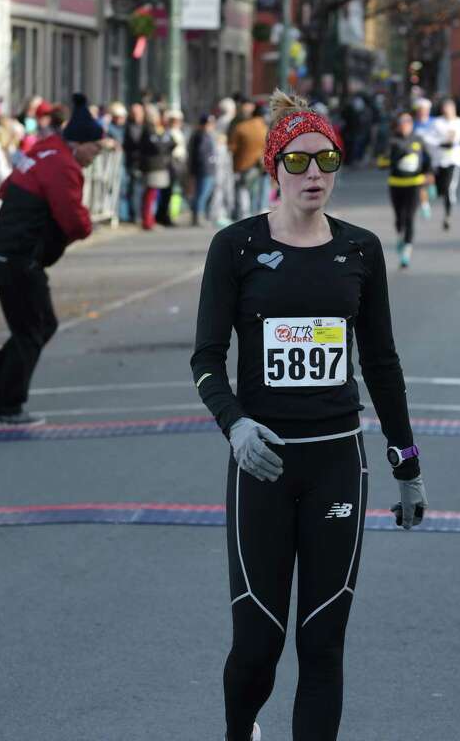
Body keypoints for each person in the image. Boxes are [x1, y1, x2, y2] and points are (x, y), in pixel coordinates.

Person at [191, 89, 428, 741]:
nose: (314, 173)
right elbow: (207, 359)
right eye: (297, 162)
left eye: (326, 159)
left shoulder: (359, 249)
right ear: (273, 169)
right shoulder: (234, 248)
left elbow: (381, 364)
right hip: (260, 465)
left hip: (336, 463)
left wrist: (406, 466)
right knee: (257, 648)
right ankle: (241, 730)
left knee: (321, 644)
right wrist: (234, 425)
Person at [0, 93, 103, 426]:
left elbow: (5, 191)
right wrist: (83, 228)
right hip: (19, 256)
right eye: (96, 148)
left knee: (33, 326)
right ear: (81, 143)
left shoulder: (43, 150)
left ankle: (3, 391)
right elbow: (73, 219)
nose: (97, 156)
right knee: (34, 328)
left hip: (9, 250)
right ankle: (8, 405)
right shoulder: (62, 165)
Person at [388, 112, 433, 268]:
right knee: (399, 218)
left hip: (414, 183)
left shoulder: (418, 140)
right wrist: (400, 155)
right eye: (402, 122)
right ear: (398, 125)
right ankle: (400, 235)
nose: (405, 124)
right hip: (396, 183)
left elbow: (428, 158)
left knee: (409, 217)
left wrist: (429, 173)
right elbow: (384, 160)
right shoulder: (393, 141)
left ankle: (407, 250)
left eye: (408, 121)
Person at [426, 97, 460, 231]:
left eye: (450, 108)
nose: (447, 111)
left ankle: (447, 215)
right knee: (441, 189)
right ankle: (438, 192)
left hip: (454, 159)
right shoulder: (437, 123)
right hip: (439, 159)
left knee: (449, 188)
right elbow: (428, 139)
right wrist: (440, 142)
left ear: (454, 109)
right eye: (445, 108)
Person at [228, 100, 267, 220]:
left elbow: (232, 147)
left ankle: (244, 213)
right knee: (259, 188)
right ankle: (261, 210)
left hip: (243, 164)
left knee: (243, 188)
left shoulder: (241, 127)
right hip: (261, 164)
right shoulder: (265, 128)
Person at [139, 105, 176, 231]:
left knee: (154, 195)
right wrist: (165, 143)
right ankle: (147, 221)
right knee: (150, 195)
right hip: (152, 166)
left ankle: (151, 219)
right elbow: (158, 147)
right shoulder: (149, 129)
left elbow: (171, 142)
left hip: (159, 165)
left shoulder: (157, 129)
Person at [188, 113, 218, 225]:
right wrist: (210, 159)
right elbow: (199, 154)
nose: (210, 126)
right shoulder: (200, 136)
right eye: (207, 124)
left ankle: (200, 215)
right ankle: (198, 216)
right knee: (202, 194)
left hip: (207, 169)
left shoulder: (206, 135)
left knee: (204, 193)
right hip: (204, 169)